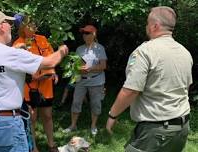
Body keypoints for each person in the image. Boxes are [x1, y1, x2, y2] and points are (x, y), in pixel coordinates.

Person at [106, 6, 193, 152]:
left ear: (155, 26)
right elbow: (186, 88)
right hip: (182, 127)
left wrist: (112, 116)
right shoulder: (184, 52)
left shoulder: (145, 51)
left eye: (147, 23)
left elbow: (131, 91)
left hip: (155, 131)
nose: (146, 26)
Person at [0, 9, 68, 152]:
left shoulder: (10, 52)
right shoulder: (11, 54)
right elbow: (50, 62)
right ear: (1, 26)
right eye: (9, 23)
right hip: (7, 124)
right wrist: (61, 50)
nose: (11, 26)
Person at [13, 16, 60, 152]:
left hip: (46, 86)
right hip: (29, 87)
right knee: (31, 118)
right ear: (22, 27)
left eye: (35, 24)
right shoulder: (17, 44)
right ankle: (33, 147)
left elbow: (51, 58)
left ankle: (51, 145)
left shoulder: (43, 39)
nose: (35, 27)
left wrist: (54, 72)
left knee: (47, 115)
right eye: (31, 25)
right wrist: (34, 78)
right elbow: (18, 68)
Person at [64, 25, 107, 135]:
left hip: (96, 81)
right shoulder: (79, 49)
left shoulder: (99, 48)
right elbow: (77, 65)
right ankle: (73, 125)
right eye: (83, 33)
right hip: (81, 81)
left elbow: (103, 66)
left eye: (87, 33)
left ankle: (93, 126)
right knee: (76, 102)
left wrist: (90, 68)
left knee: (95, 103)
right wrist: (77, 68)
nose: (85, 35)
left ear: (94, 34)